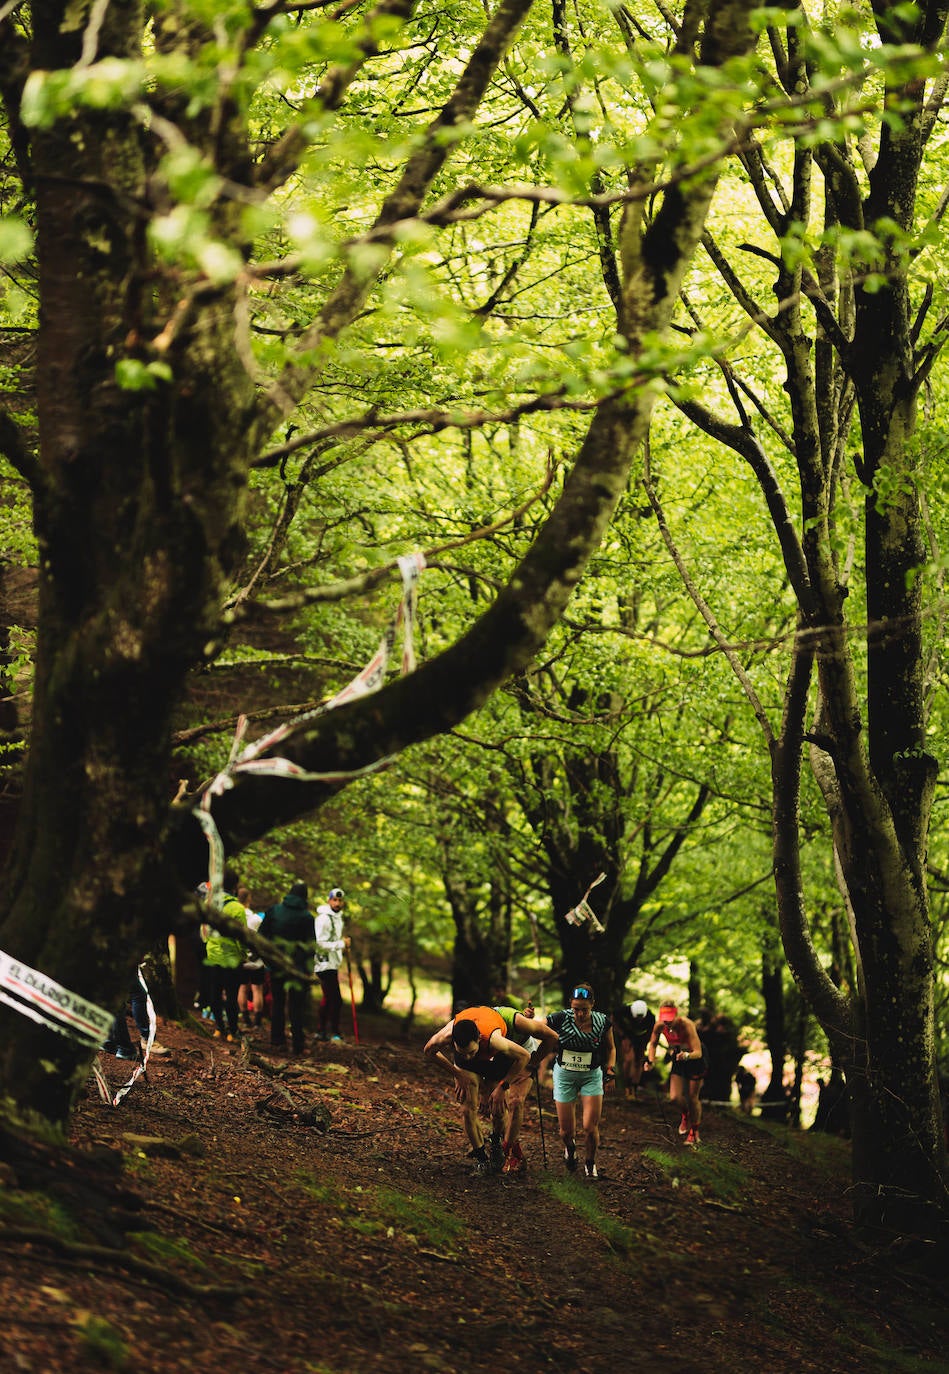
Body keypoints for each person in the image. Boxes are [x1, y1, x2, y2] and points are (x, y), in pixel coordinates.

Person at [423, 1005, 532, 1174]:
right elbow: (429, 1051)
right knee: (467, 1109)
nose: (468, 1056)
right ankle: (481, 1158)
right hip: (466, 1068)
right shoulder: (447, 1035)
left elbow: (524, 1056)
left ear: (479, 1039)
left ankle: (495, 1141)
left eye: (471, 1051)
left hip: (496, 1059)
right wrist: (457, 1074)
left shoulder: (494, 1039)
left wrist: (504, 1086)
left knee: (497, 1108)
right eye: (463, 1052)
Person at [546, 982, 616, 1179]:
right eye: (576, 1009)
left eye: (584, 1010)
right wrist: (528, 1018)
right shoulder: (560, 1018)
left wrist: (610, 1070)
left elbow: (611, 1048)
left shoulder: (603, 1022)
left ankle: (590, 1162)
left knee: (589, 1126)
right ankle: (570, 1148)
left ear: (592, 1005)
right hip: (565, 1075)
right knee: (565, 1132)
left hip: (591, 1075)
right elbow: (537, 1027)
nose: (580, 1014)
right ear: (570, 1005)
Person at [493, 1003, 561, 1173]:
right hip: (501, 1060)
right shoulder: (486, 1028)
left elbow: (552, 1037)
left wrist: (534, 1062)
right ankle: (512, 1150)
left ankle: (506, 1152)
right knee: (499, 1110)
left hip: (525, 1057)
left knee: (516, 1102)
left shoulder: (517, 1021)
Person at [259, 880, 315, 1055]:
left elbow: (261, 937)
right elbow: (310, 947)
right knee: (296, 1007)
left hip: (276, 966)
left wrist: (269, 959)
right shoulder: (306, 917)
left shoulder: (274, 911)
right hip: (297, 969)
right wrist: (307, 968)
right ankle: (297, 1045)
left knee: (278, 1003)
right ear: (304, 897)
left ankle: (277, 1041)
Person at [643, 1000, 708, 1146]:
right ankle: (686, 1114)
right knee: (674, 1097)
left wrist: (686, 1056)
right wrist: (651, 1061)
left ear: (676, 1015)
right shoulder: (659, 1025)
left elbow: (698, 1052)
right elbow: (652, 1044)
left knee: (692, 1097)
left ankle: (694, 1132)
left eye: (670, 1019)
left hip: (694, 1059)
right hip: (679, 1057)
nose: (667, 1023)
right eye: (664, 1019)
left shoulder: (687, 1025)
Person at [201, 868, 250, 1042]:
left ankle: (218, 1028)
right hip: (232, 959)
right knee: (231, 995)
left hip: (213, 956)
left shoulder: (209, 903)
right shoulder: (237, 907)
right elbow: (241, 936)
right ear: (235, 886)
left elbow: (204, 931)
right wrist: (244, 954)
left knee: (215, 993)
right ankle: (232, 1031)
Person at [313, 886, 349, 1042]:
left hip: (332, 963)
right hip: (323, 964)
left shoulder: (338, 917)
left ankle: (326, 1031)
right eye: (334, 900)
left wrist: (342, 947)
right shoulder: (323, 919)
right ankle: (327, 1031)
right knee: (333, 999)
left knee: (331, 999)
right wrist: (341, 944)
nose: (337, 903)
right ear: (329, 901)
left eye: (340, 900)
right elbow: (320, 944)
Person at [612, 998, 656, 1099]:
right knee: (628, 1059)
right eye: (637, 1017)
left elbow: (651, 1034)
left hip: (642, 1037)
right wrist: (622, 1035)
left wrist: (645, 1045)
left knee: (638, 1062)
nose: (639, 1020)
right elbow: (613, 1019)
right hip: (626, 1034)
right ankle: (627, 1086)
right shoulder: (623, 1011)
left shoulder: (651, 1017)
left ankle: (634, 1088)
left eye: (641, 1018)